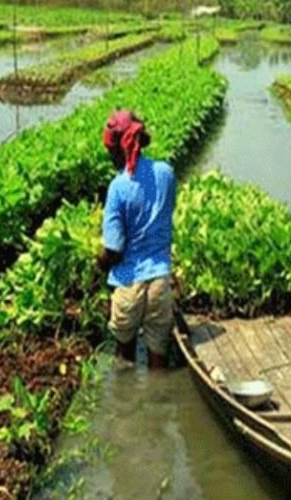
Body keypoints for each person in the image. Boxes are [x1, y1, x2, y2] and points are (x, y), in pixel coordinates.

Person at [96, 110, 177, 369]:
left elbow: (114, 249)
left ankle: (126, 394)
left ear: (120, 149)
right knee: (158, 357)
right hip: (160, 280)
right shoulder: (166, 173)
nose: (110, 156)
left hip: (129, 283)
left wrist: (99, 263)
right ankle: (159, 394)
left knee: (124, 357)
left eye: (111, 151)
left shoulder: (118, 187)